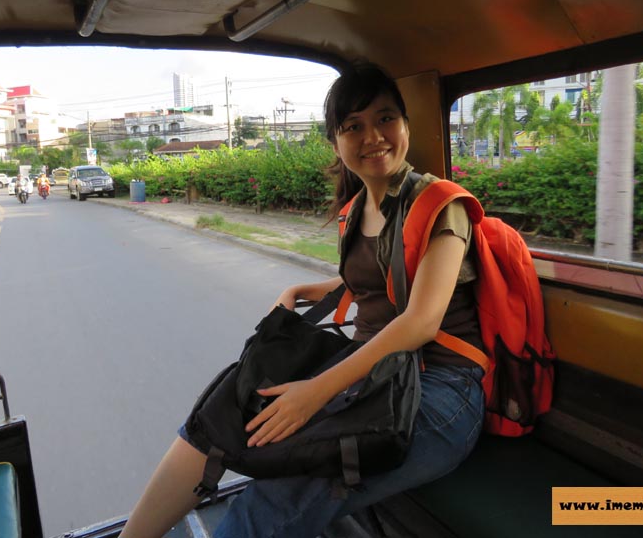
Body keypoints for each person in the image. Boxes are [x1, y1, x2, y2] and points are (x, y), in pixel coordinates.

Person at [120, 62, 485, 538]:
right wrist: (297, 292)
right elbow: (371, 282)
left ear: (406, 126)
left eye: (385, 118)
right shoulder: (360, 209)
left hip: (439, 387)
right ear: (335, 141)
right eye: (353, 126)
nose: (373, 135)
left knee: (281, 494)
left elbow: (419, 321)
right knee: (222, 409)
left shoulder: (442, 205)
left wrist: (316, 392)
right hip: (375, 376)